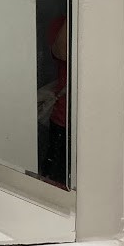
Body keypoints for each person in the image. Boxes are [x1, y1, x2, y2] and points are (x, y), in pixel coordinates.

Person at [39, 16, 70, 187]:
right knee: (54, 186)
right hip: (62, 122)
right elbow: (63, 51)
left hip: (95, 125)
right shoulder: (59, 23)